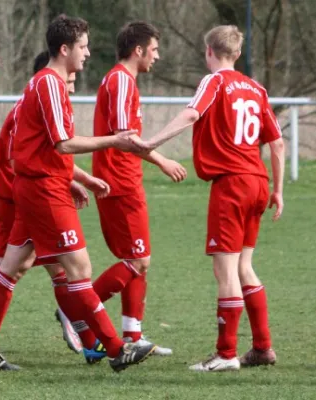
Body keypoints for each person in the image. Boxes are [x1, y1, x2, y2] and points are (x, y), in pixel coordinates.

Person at [0, 14, 156, 373]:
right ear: (65, 48)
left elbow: (46, 146)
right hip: (43, 191)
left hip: (41, 185)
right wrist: (114, 140)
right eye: (83, 47)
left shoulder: (47, 84)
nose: (87, 54)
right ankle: (116, 348)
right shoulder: (50, 84)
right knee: (79, 269)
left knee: (10, 268)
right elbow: (63, 144)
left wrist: (75, 179)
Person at [129, 25, 284, 372]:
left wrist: (152, 141)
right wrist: (278, 189)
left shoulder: (214, 82)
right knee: (244, 266)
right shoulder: (257, 89)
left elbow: (191, 114)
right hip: (258, 182)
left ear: (209, 51)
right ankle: (262, 347)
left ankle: (226, 353)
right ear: (238, 53)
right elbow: (277, 143)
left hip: (232, 184)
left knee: (225, 269)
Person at [59, 21, 187, 362]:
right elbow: (124, 138)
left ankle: (133, 335)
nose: (157, 57)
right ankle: (76, 311)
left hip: (127, 180)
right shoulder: (119, 80)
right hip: (119, 182)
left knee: (139, 261)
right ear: (139, 50)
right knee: (137, 260)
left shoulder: (125, 80)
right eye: (155, 50)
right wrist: (162, 160)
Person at [0, 51, 88, 361]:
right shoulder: (29, 108)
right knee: (50, 269)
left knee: (19, 270)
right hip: (21, 199)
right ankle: (91, 337)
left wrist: (79, 179)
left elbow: (52, 157)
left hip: (28, 195)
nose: (71, 87)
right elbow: (22, 159)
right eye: (68, 80)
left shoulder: (42, 105)